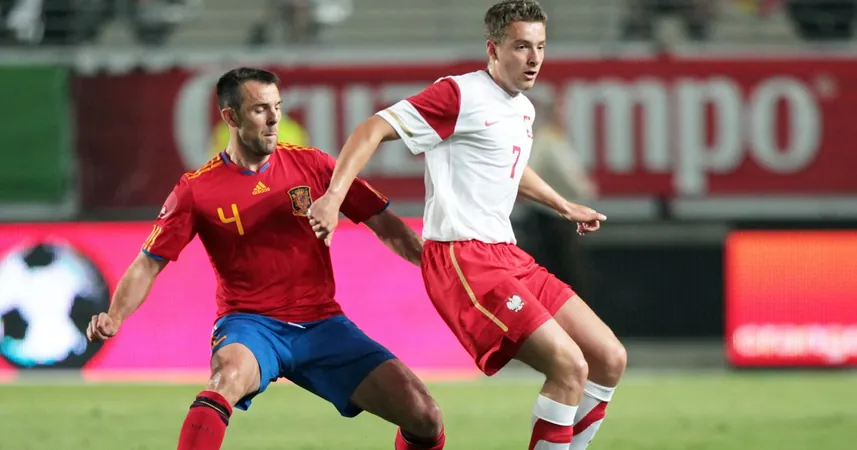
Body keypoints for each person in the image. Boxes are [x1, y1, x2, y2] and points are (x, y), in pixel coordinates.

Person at [308, 1, 627, 449]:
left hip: (507, 254)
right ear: (493, 49)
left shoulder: (523, 109)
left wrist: (562, 204)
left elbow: (508, 165)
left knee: (609, 357)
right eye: (521, 46)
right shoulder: (459, 94)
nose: (534, 58)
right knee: (569, 366)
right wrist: (333, 197)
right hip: (465, 257)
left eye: (540, 46)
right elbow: (371, 128)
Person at [86, 67, 446, 450]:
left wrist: (439, 269)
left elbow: (385, 223)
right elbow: (149, 261)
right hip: (250, 325)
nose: (274, 118)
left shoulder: (314, 166)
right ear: (231, 117)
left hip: (322, 324)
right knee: (226, 378)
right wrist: (116, 315)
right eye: (260, 109)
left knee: (425, 416)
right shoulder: (196, 189)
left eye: (277, 106)